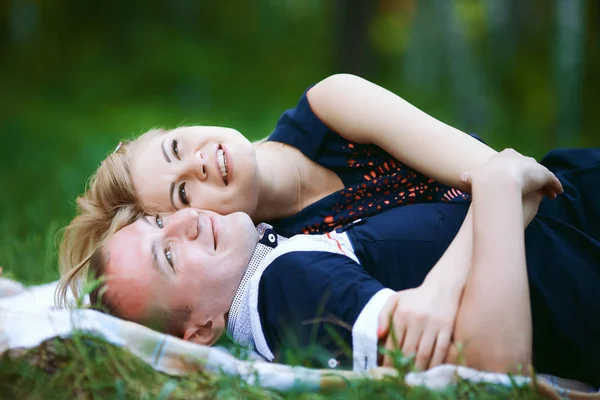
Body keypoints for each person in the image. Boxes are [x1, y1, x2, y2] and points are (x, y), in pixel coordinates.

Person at [67, 149, 600, 387]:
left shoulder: (272, 263)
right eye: (168, 255)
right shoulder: (284, 292)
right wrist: (500, 191)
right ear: (201, 329)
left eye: (159, 222)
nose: (183, 223)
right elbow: (492, 369)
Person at [58, 74, 498, 299]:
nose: (199, 163)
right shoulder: (280, 265)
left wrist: (438, 292)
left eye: (175, 147)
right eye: (183, 194)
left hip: (558, 207)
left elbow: (503, 178)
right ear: (192, 222)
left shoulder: (333, 107)